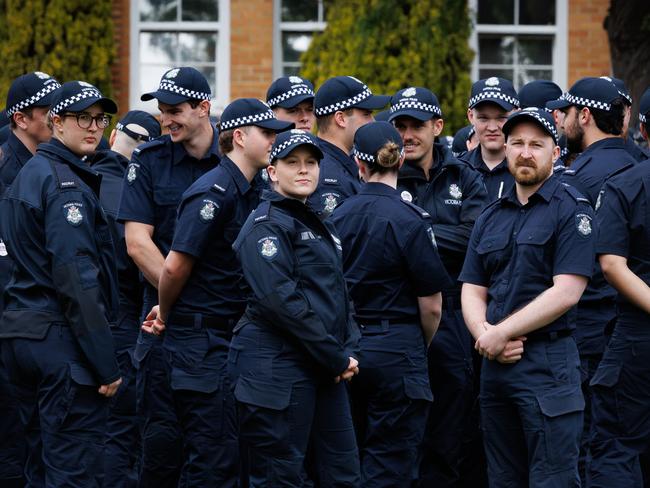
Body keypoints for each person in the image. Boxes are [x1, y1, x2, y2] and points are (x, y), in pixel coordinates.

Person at [141, 98, 292, 486]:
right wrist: (167, 312)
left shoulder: (252, 188)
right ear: (239, 137)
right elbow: (175, 265)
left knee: (230, 456)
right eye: (268, 133)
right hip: (199, 343)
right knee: (212, 461)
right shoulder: (214, 191)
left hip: (227, 339)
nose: (276, 140)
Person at [460, 107, 594, 487]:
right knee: (503, 479)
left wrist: (500, 333)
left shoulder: (571, 209)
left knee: (553, 479)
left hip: (548, 366)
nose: (525, 152)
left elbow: (567, 291)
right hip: (495, 368)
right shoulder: (491, 215)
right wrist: (485, 335)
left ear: (556, 152)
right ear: (505, 148)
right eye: (516, 142)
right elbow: (472, 287)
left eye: (537, 144)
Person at [0, 80, 122, 486]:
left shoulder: (31, 173)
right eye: (81, 117)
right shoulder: (64, 184)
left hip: (22, 336)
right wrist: (106, 364)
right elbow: (76, 281)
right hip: (58, 340)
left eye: (100, 118)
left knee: (38, 467)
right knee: (73, 471)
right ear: (56, 123)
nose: (93, 127)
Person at [229, 129, 361, 486]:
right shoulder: (266, 224)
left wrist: (346, 348)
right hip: (276, 367)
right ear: (272, 172)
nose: (304, 170)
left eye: (311, 163)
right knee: (279, 476)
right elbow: (281, 302)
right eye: (292, 163)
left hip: (322, 364)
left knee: (344, 473)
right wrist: (334, 356)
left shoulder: (317, 221)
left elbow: (337, 293)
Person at [330, 121, 448, 486]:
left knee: (346, 462)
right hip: (397, 348)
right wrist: (416, 343)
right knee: (391, 466)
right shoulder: (411, 220)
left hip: (346, 349)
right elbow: (431, 305)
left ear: (358, 165)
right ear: (400, 163)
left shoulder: (335, 219)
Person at [118, 66, 218, 487]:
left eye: (175, 110)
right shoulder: (150, 160)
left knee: (215, 451)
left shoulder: (235, 162)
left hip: (219, 323)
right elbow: (137, 242)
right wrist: (174, 294)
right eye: (161, 111)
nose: (166, 119)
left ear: (203, 108)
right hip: (160, 321)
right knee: (159, 446)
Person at [386, 86, 489, 487]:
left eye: (417, 126)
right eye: (400, 126)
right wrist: (435, 233)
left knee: (450, 428)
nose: (407, 135)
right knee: (402, 430)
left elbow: (474, 239)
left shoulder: (465, 174)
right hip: (401, 312)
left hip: (454, 314)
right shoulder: (385, 174)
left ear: (438, 126)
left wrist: (410, 232)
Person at [547, 76, 638, 481]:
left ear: (583, 115)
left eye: (566, 112)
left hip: (588, 329)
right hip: (632, 325)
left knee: (595, 447)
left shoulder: (574, 178)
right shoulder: (639, 165)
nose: (561, 120)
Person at [90, 110, 161, 487]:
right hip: (123, 323)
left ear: (114, 133)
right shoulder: (134, 197)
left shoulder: (79, 179)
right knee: (120, 432)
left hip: (78, 321)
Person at [0, 70, 60, 488]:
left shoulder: (45, 165)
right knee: (14, 439)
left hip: (34, 323)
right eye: (48, 110)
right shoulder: (8, 172)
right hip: (11, 320)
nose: (59, 117)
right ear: (21, 118)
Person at [588, 105, 650, 487]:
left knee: (618, 448)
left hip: (636, 333)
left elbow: (612, 265)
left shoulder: (626, 183)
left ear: (643, 128)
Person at [308, 75, 389, 217]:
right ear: (341, 119)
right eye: (366, 114)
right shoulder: (328, 177)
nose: (373, 121)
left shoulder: (344, 161)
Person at [460, 77, 520, 201]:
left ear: (517, 115)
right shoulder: (457, 169)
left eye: (501, 118)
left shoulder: (527, 168)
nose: (492, 128)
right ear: (471, 116)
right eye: (483, 118)